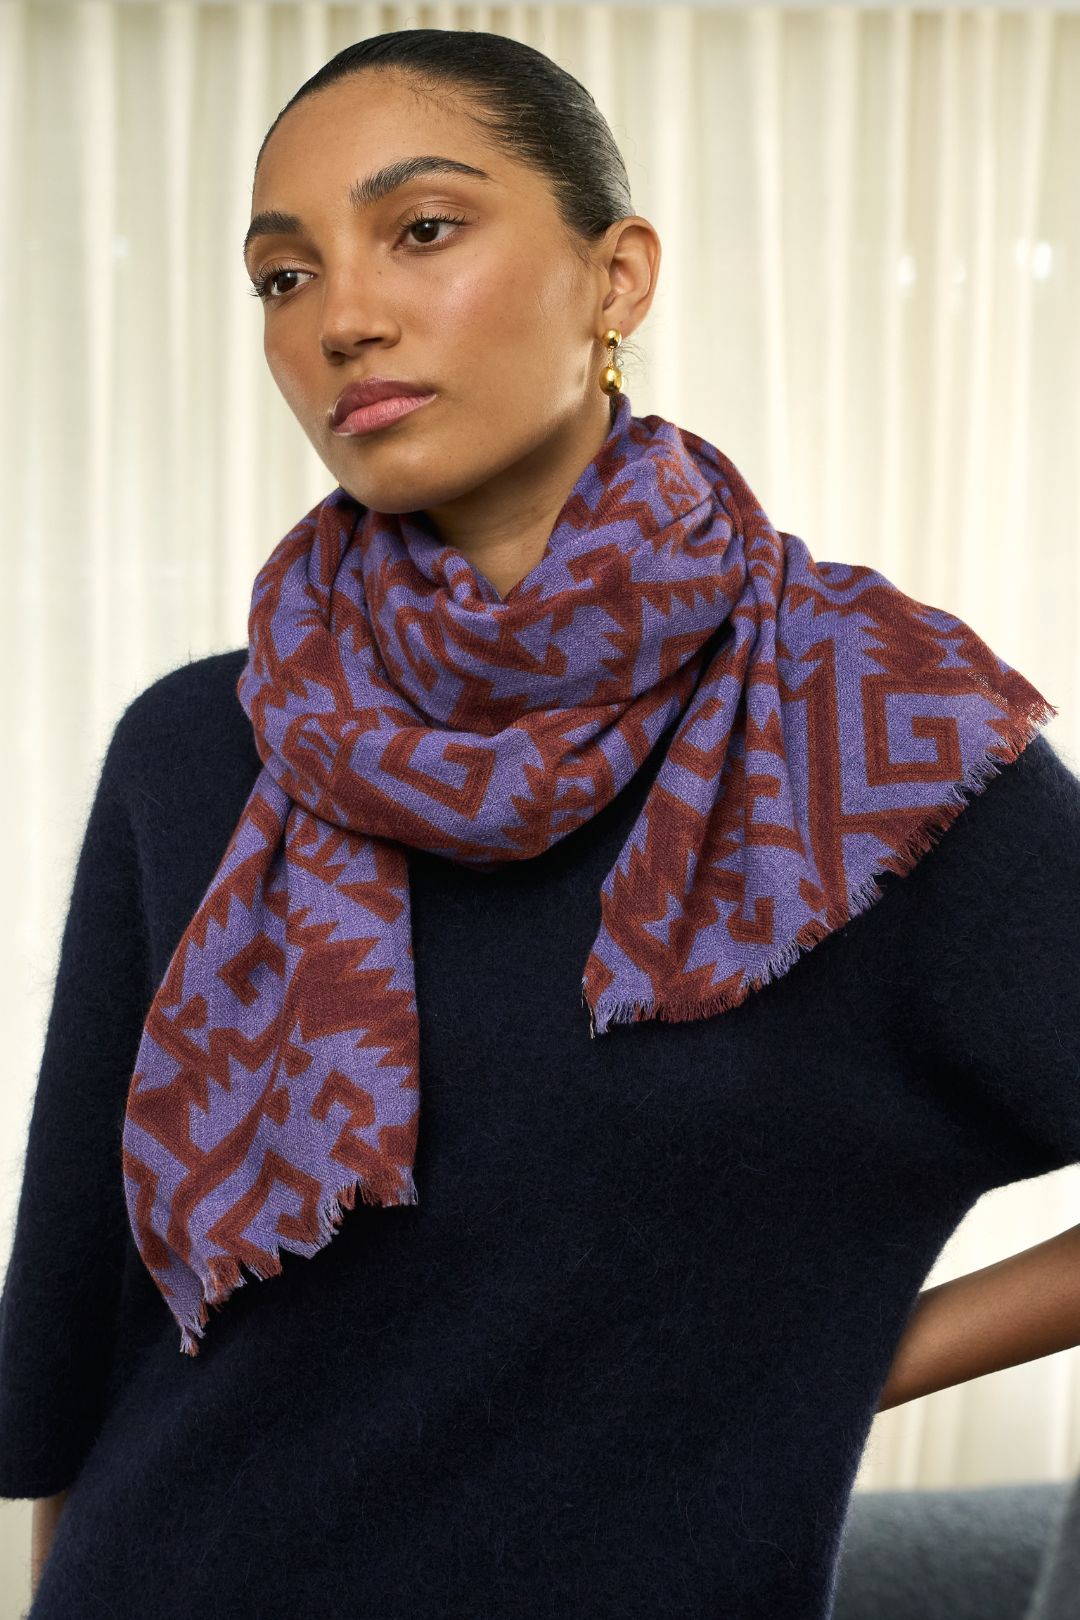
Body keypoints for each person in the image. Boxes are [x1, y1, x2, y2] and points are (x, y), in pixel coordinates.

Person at [3, 28, 1080, 1620]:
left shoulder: (872, 740)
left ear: (615, 278)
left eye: (421, 229)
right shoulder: (198, 748)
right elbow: (91, 1295)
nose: (340, 317)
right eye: (284, 276)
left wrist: (821, 1372)